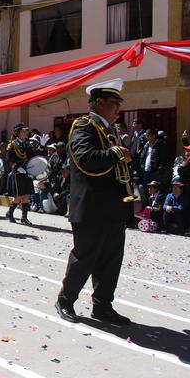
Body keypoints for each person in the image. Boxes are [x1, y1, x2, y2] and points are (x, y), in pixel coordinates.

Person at [56, 78, 132, 325]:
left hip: (112, 205)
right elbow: (86, 159)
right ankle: (66, 300)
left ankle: (102, 306)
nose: (118, 109)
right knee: (84, 257)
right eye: (114, 104)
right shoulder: (83, 125)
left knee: (111, 259)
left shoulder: (112, 131)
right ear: (99, 102)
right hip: (90, 206)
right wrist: (116, 153)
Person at [5, 122, 35, 225]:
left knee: (26, 196)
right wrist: (17, 168)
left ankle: (24, 217)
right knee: (18, 197)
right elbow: (8, 160)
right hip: (18, 173)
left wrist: (41, 146)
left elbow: (33, 155)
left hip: (27, 172)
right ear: (18, 133)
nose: (25, 133)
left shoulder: (27, 143)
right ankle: (10, 213)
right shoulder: (12, 144)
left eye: (25, 131)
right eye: (23, 131)